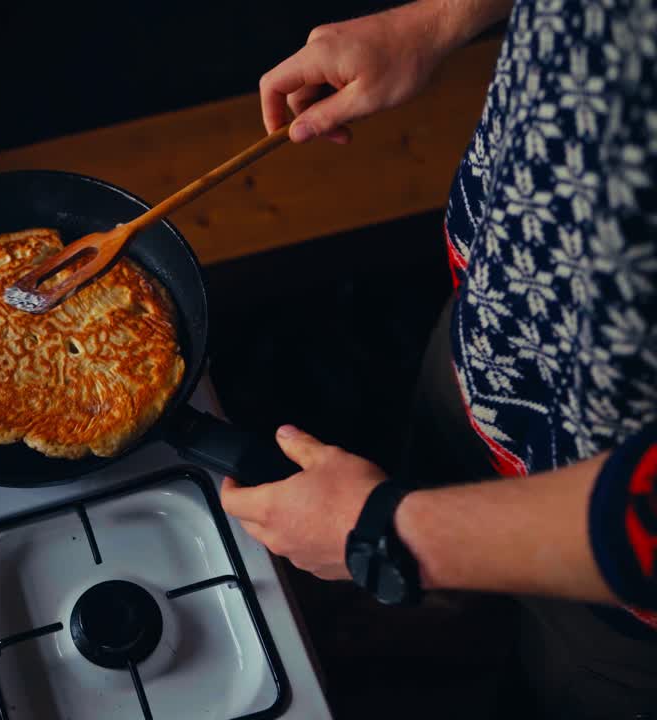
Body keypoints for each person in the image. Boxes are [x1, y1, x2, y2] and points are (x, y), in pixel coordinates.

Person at [219, 0, 657, 717]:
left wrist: (389, 533)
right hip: (502, 330)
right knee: (438, 487)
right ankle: (435, 616)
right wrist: (442, 18)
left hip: (614, 583)